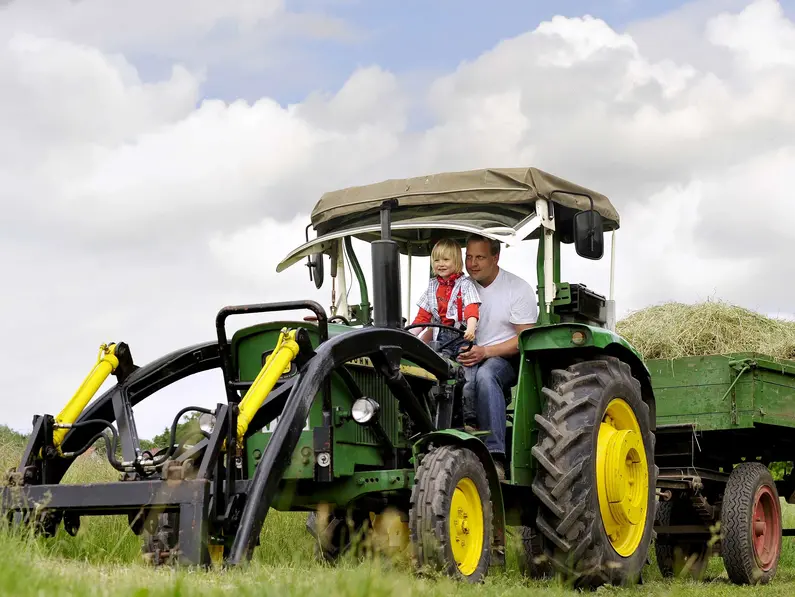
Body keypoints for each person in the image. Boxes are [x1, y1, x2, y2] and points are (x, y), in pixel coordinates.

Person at [456, 234, 537, 480]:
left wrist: (486, 352)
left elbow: (525, 340)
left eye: (480, 257)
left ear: (495, 258)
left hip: (506, 358)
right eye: (468, 257)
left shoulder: (516, 288)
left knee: (486, 374)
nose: (473, 264)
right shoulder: (461, 287)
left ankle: (495, 456)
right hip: (467, 355)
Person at [410, 238, 481, 427]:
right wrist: (408, 336)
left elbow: (471, 309)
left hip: (461, 336)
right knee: (434, 377)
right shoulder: (432, 286)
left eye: (446, 260)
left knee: (466, 379)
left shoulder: (465, 285)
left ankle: (469, 421)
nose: (440, 264)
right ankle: (434, 420)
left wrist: (471, 329)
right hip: (440, 338)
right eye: (436, 260)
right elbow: (422, 318)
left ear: (456, 261)